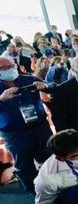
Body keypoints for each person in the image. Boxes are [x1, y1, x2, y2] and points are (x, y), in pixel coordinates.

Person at [0, 57, 55, 192]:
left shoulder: (28, 79)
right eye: (6, 68)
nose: (11, 69)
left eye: (12, 65)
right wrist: (1, 99)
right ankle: (33, 192)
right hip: (14, 134)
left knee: (50, 159)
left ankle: (55, 188)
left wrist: (45, 87)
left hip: (40, 128)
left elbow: (52, 86)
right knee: (24, 166)